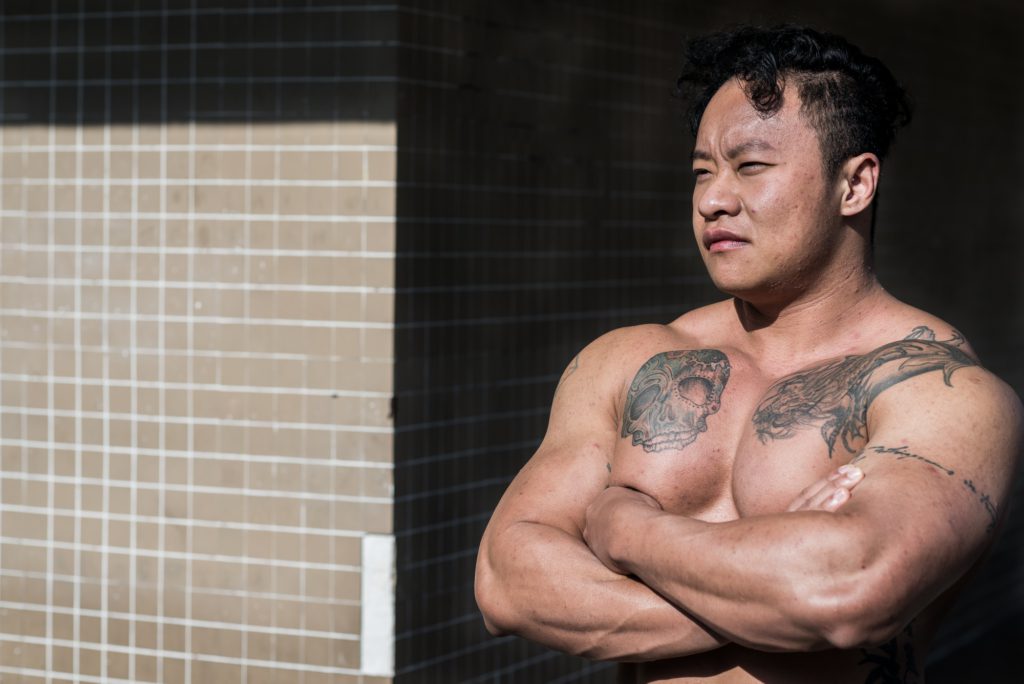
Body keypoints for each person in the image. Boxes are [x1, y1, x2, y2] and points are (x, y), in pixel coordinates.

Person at [474, 24, 1023, 683]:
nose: (712, 199)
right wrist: (771, 598)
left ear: (854, 185)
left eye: (750, 167)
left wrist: (623, 530)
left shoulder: (940, 389)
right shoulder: (630, 361)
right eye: (701, 172)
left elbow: (844, 589)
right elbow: (506, 579)